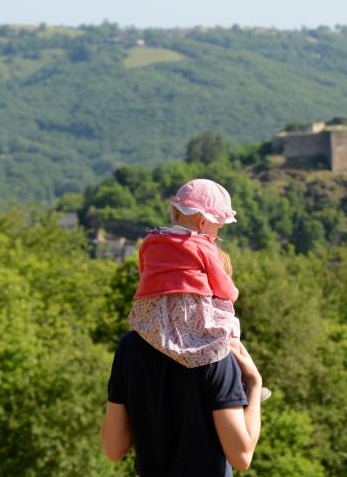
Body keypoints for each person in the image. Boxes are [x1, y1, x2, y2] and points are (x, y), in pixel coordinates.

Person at [127, 178, 268, 400]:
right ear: (203, 222)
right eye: (217, 228)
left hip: (152, 314)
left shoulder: (151, 241)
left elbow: (144, 272)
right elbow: (223, 287)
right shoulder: (202, 246)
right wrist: (234, 293)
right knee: (230, 331)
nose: (216, 235)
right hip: (191, 314)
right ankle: (243, 383)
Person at [101, 335, 262, 475]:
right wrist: (254, 383)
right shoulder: (216, 350)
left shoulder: (130, 347)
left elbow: (113, 449)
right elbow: (241, 457)